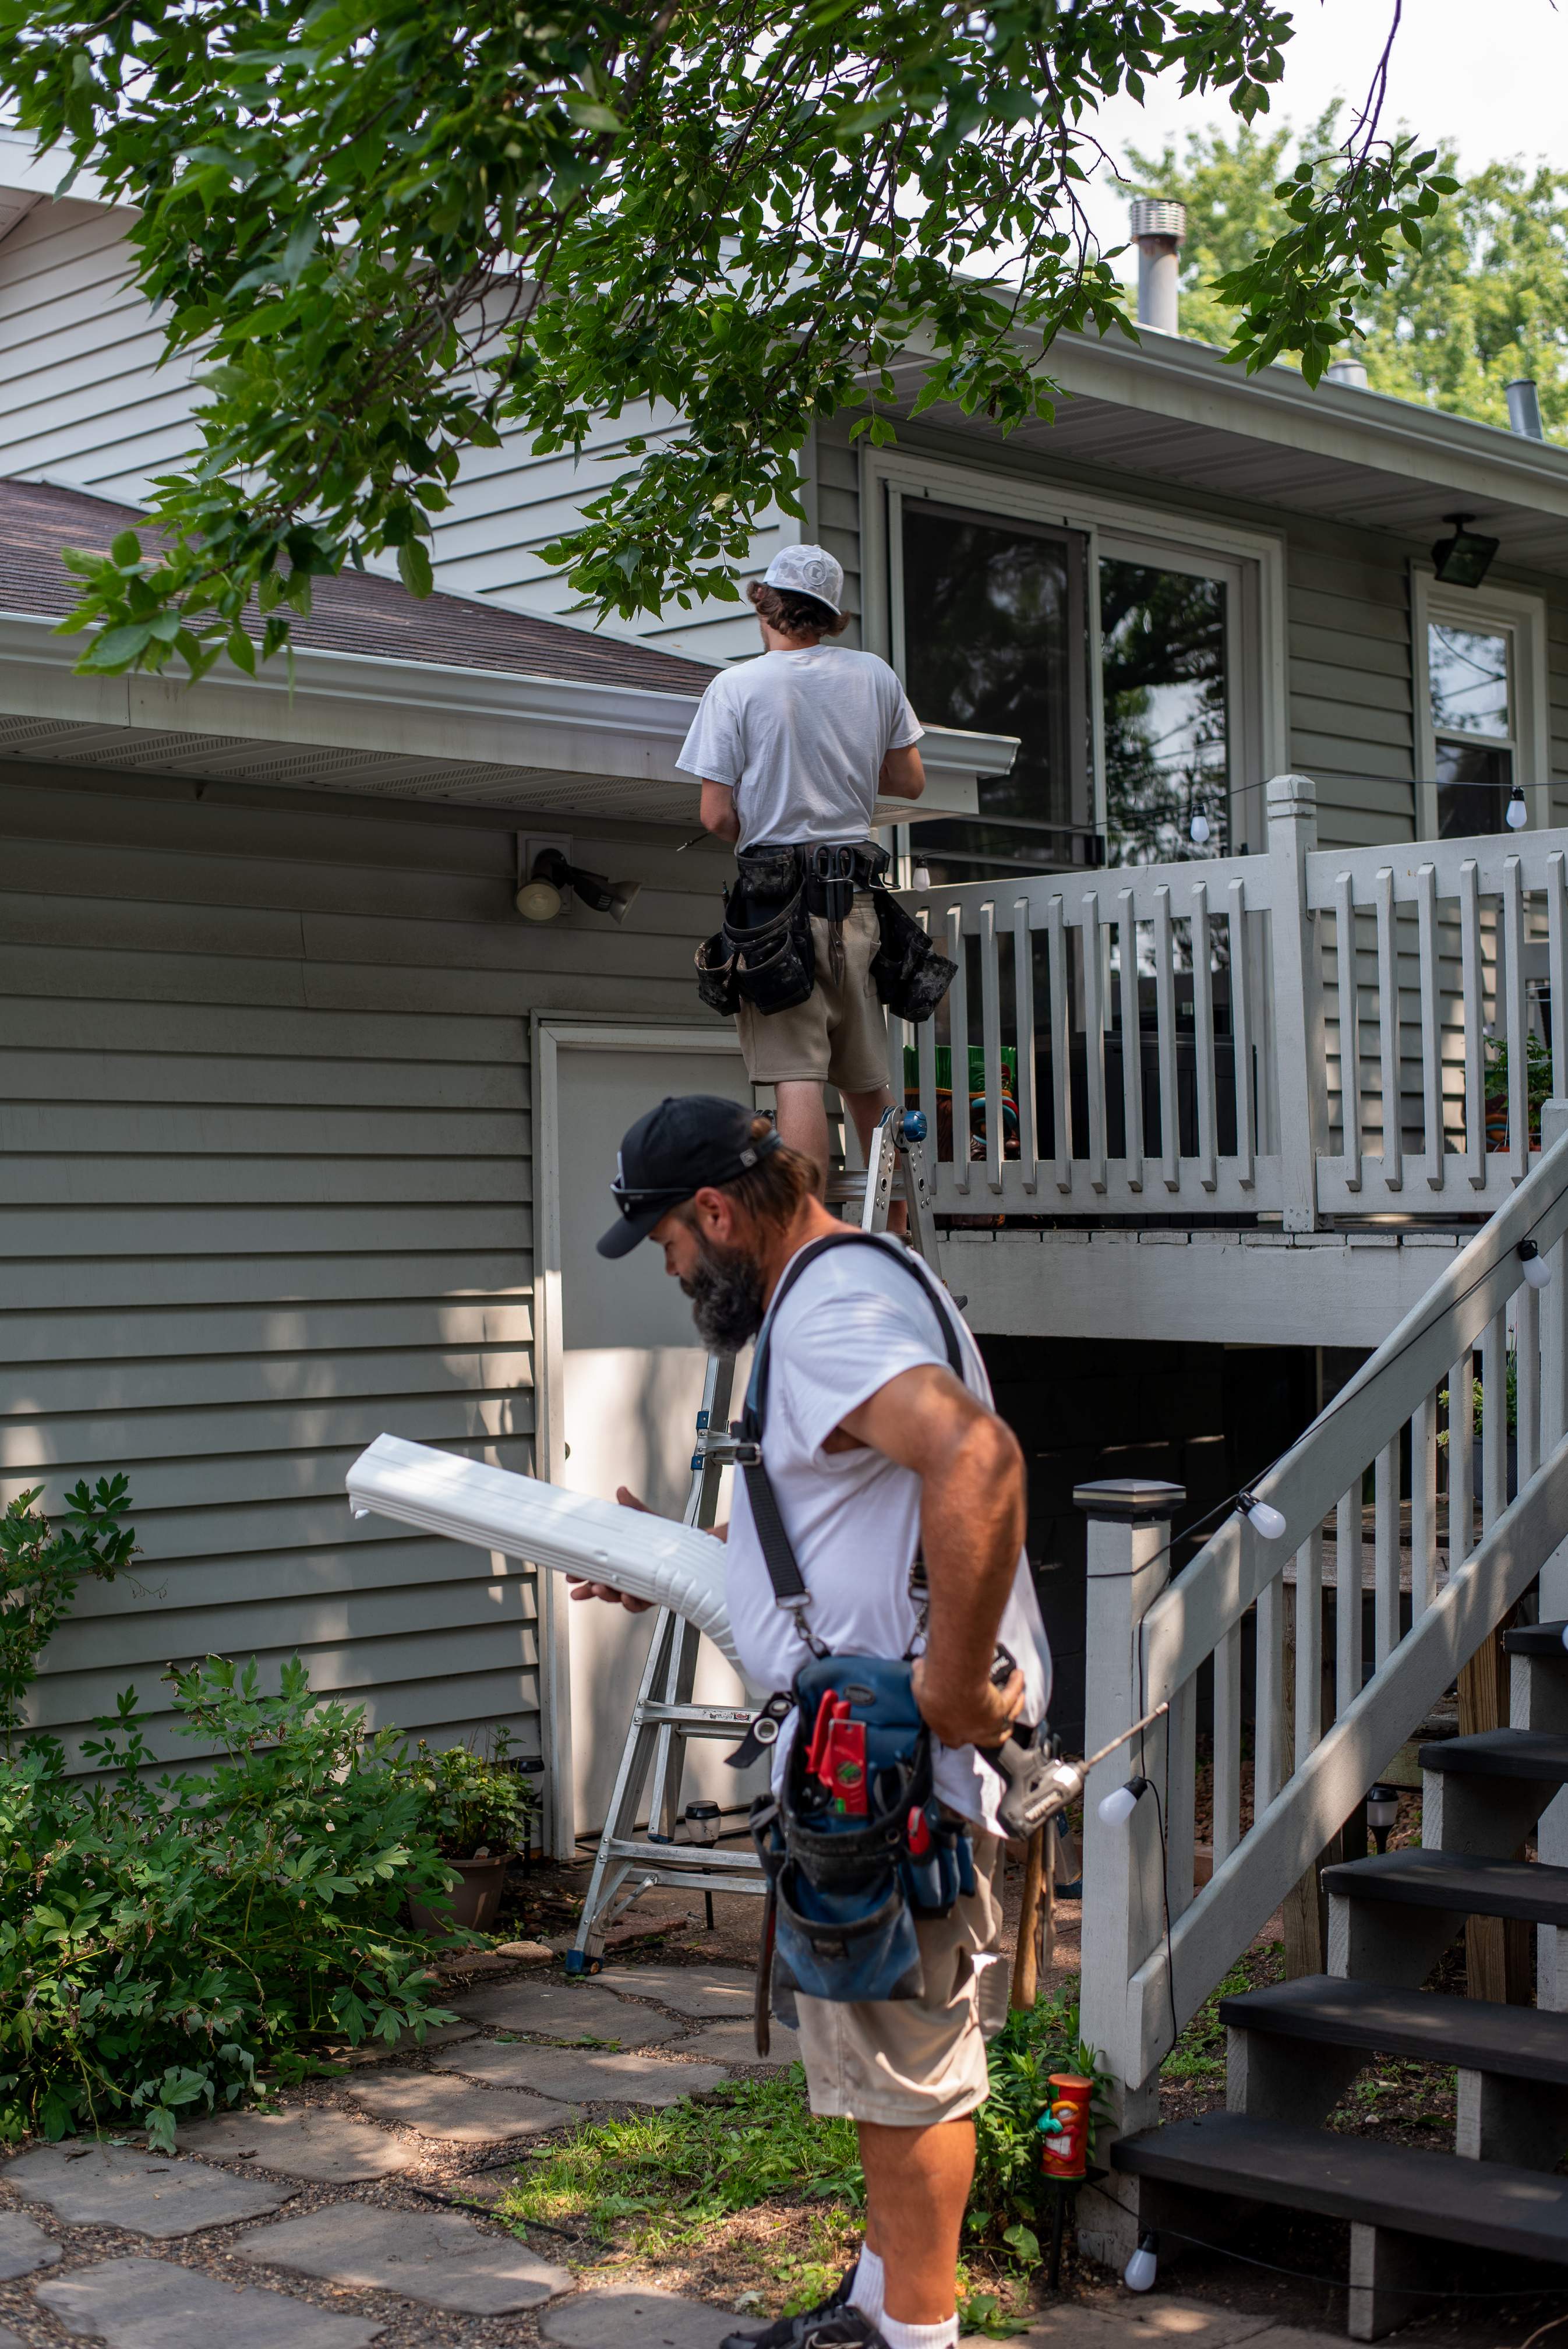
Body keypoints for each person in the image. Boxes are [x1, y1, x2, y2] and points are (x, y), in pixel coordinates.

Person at [578, 1094, 1053, 2349]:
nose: (678, 1275)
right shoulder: (844, 1290)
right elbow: (837, 1529)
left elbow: (979, 1465)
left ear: (717, 1214)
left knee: (905, 2082)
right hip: (871, 1769)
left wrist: (952, 1692)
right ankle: (868, 2310)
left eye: (673, 1248)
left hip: (893, 1773)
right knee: (875, 2074)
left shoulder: (831, 1314)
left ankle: (915, 2338)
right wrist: (673, 1556)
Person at [678, 544, 927, 1188]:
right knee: (867, 1077)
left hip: (775, 907)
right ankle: (895, 1223)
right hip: (857, 902)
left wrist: (762, 820)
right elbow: (909, 780)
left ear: (765, 604)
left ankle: (810, 1235)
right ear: (829, 614)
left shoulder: (736, 686)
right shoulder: (874, 675)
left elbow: (714, 815)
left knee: (799, 1075)